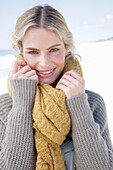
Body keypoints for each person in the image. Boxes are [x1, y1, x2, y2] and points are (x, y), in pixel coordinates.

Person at [0, 5, 113, 170]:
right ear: (20, 51)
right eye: (33, 51)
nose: (45, 62)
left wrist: (78, 104)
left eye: (54, 49)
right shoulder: (4, 107)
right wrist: (22, 105)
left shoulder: (92, 102)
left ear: (66, 47)